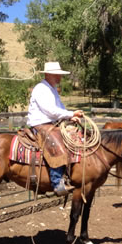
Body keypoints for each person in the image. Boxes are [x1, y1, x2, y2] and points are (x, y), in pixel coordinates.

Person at [27, 62, 83, 196]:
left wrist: (71, 117)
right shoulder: (41, 89)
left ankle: (69, 172)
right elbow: (50, 111)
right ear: (48, 74)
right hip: (40, 124)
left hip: (50, 123)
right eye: (57, 74)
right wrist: (71, 114)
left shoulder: (51, 89)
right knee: (56, 143)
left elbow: (60, 108)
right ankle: (57, 182)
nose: (59, 77)